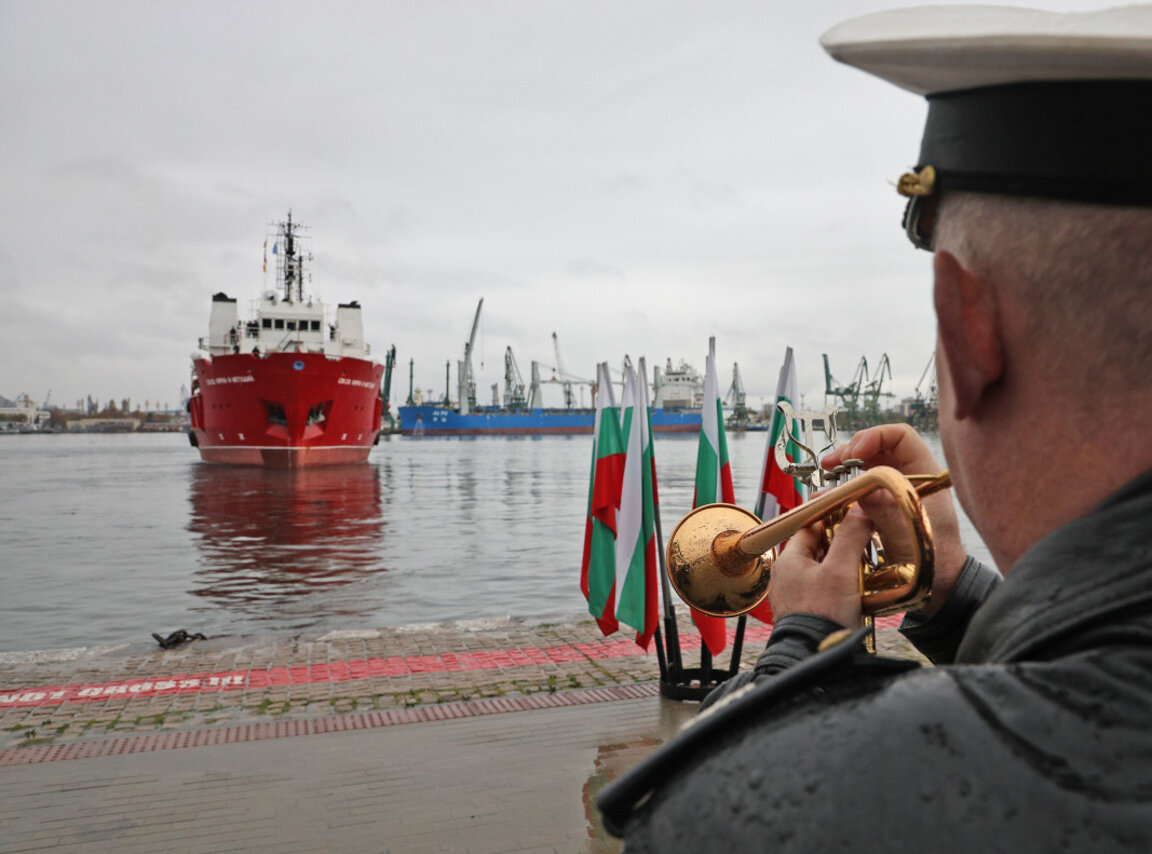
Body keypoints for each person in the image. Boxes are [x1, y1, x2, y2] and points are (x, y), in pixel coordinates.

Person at [597, 6, 1152, 850]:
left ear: (967, 331)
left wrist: (800, 649)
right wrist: (954, 595)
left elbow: (715, 812)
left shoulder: (833, 802)